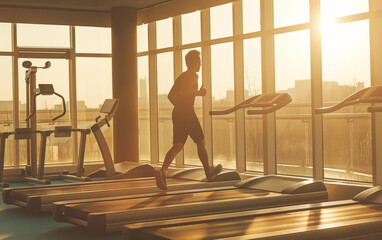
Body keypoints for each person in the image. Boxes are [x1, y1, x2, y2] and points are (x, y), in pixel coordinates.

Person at [154, 50, 222, 190]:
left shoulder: (181, 76)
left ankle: (163, 171)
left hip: (178, 113)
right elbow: (184, 92)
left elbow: (170, 95)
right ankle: (208, 172)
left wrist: (179, 106)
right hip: (187, 113)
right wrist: (199, 93)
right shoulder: (192, 76)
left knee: (178, 144)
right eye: (199, 61)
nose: (200, 64)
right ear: (194, 63)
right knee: (200, 142)